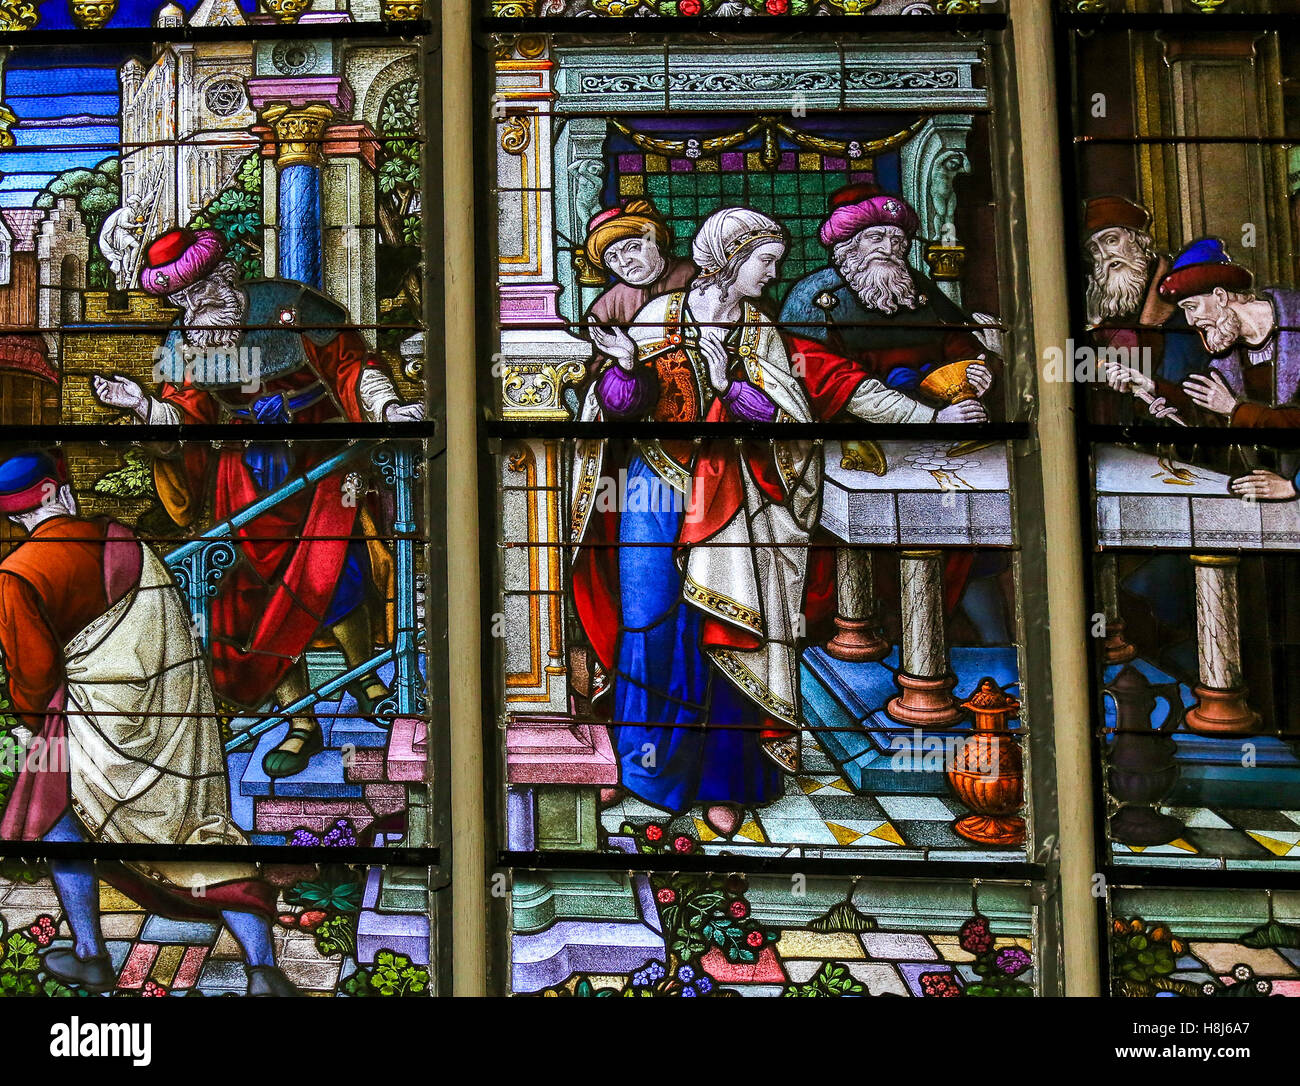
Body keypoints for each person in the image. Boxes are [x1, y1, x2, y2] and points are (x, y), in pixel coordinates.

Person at [91, 227, 423, 779]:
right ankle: (300, 720)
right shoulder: (185, 345)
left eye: (199, 290)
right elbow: (188, 422)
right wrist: (143, 406)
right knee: (253, 601)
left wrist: (385, 408)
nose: (191, 307)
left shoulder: (290, 306)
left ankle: (364, 674)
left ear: (223, 274)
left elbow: (349, 366)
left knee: (336, 574)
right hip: (243, 480)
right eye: (179, 299)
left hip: (320, 466)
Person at [0, 450, 295, 995]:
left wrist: (28, 724)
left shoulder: (17, 574)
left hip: (75, 725)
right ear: (56, 490)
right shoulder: (123, 541)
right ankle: (263, 969)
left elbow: (34, 679)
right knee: (201, 834)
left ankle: (92, 955)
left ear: (16, 513)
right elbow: (172, 641)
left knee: (60, 825)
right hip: (168, 724)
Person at [573, 207, 822, 837]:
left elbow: (785, 423)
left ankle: (725, 782)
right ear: (733, 257)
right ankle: (639, 767)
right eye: (766, 260)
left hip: (734, 490)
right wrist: (626, 368)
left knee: (727, 623)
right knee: (648, 622)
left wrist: (725, 384)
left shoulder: (760, 330)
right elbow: (616, 411)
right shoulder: (658, 317)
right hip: (649, 488)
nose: (774, 272)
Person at [779, 182, 995, 406]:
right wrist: (925, 418)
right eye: (876, 238)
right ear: (849, 245)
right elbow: (821, 377)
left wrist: (976, 370)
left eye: (896, 240)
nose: (888, 248)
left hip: (946, 414)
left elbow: (958, 343)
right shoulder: (812, 294)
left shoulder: (915, 287)